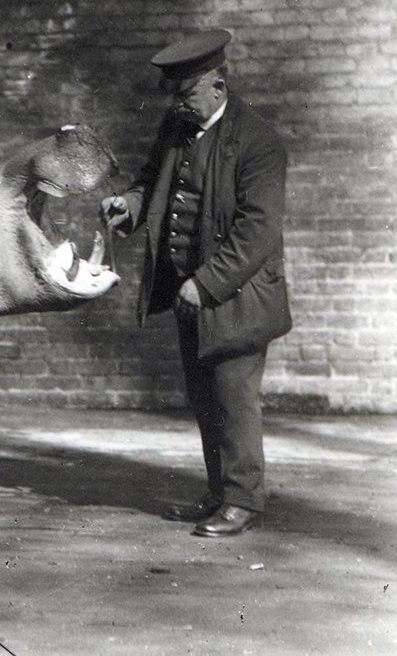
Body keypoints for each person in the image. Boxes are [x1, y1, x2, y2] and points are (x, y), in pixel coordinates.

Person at [101, 29, 292, 537]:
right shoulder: (178, 126)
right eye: (175, 95)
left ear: (218, 85)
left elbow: (259, 231)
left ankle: (244, 501)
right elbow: (151, 180)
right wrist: (131, 206)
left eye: (186, 94)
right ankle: (218, 493)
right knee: (204, 397)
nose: (178, 104)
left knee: (234, 397)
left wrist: (206, 284)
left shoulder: (258, 142)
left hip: (237, 296)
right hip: (191, 291)